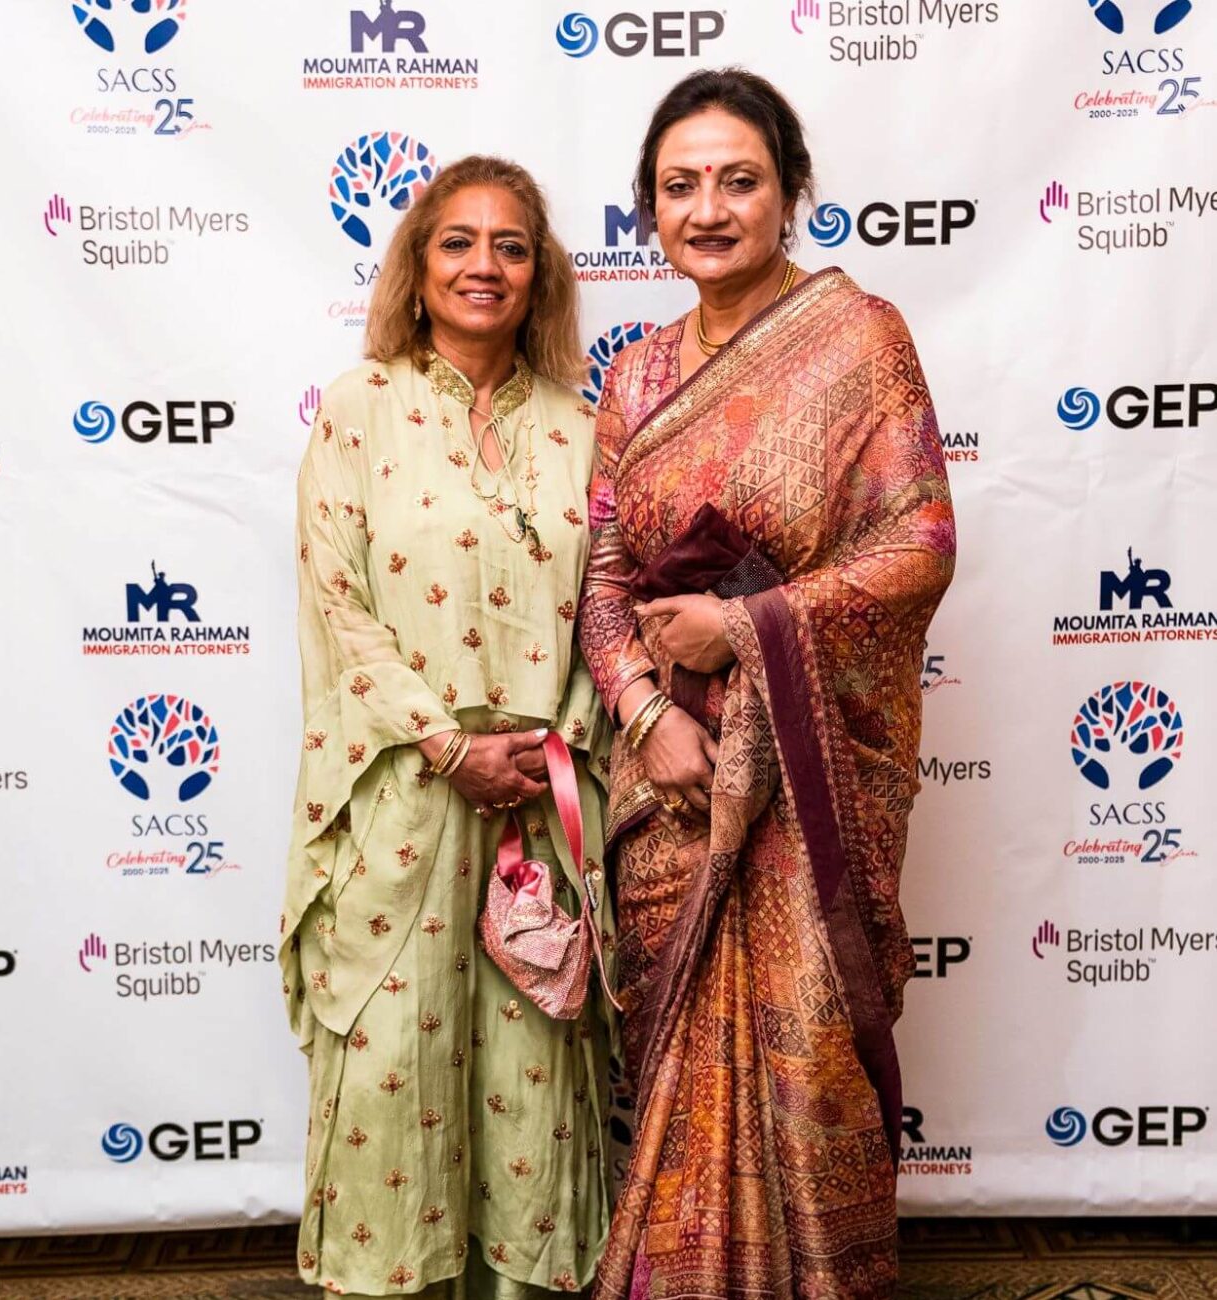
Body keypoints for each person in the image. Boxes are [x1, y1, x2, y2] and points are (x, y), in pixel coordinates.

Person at [578, 69, 956, 1299]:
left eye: (737, 180)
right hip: (671, 786)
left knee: (808, 1056)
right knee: (671, 1067)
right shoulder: (635, 378)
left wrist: (746, 625)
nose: (708, 208)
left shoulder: (859, 338)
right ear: (649, 206)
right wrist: (644, 713)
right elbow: (601, 579)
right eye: (679, 185)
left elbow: (919, 543)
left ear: (789, 192)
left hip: (807, 776)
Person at [280, 155, 616, 1297]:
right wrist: (447, 744)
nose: (485, 266)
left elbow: (608, 604)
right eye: (458, 242)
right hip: (403, 794)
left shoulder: (583, 427)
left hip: (544, 799)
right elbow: (338, 601)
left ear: (541, 275)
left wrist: (550, 747)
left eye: (511, 246)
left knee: (533, 1078)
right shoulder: (359, 408)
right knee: (394, 1069)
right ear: (417, 269)